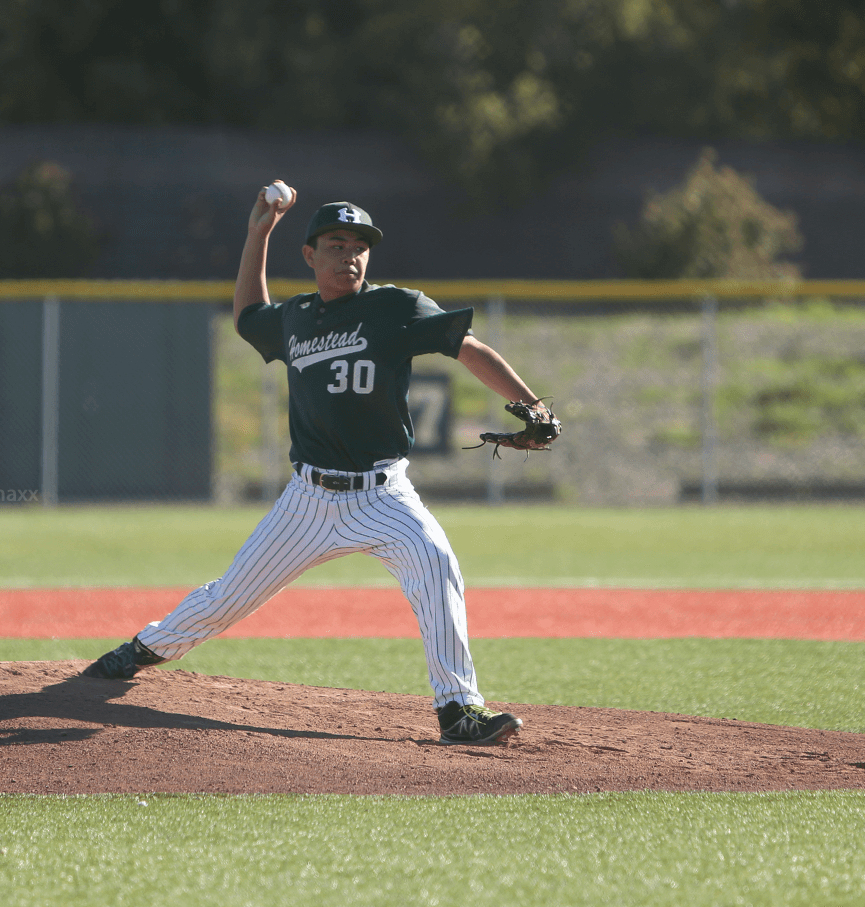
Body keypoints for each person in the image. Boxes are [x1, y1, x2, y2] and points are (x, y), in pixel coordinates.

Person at [83, 189, 554, 745]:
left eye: (359, 246)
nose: (349, 255)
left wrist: (532, 406)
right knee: (229, 597)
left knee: (436, 564)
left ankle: (458, 710)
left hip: (383, 495)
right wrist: (258, 233)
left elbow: (468, 347)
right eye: (336, 244)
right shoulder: (295, 318)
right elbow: (247, 317)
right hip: (307, 501)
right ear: (309, 255)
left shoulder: (397, 307)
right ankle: (145, 648)